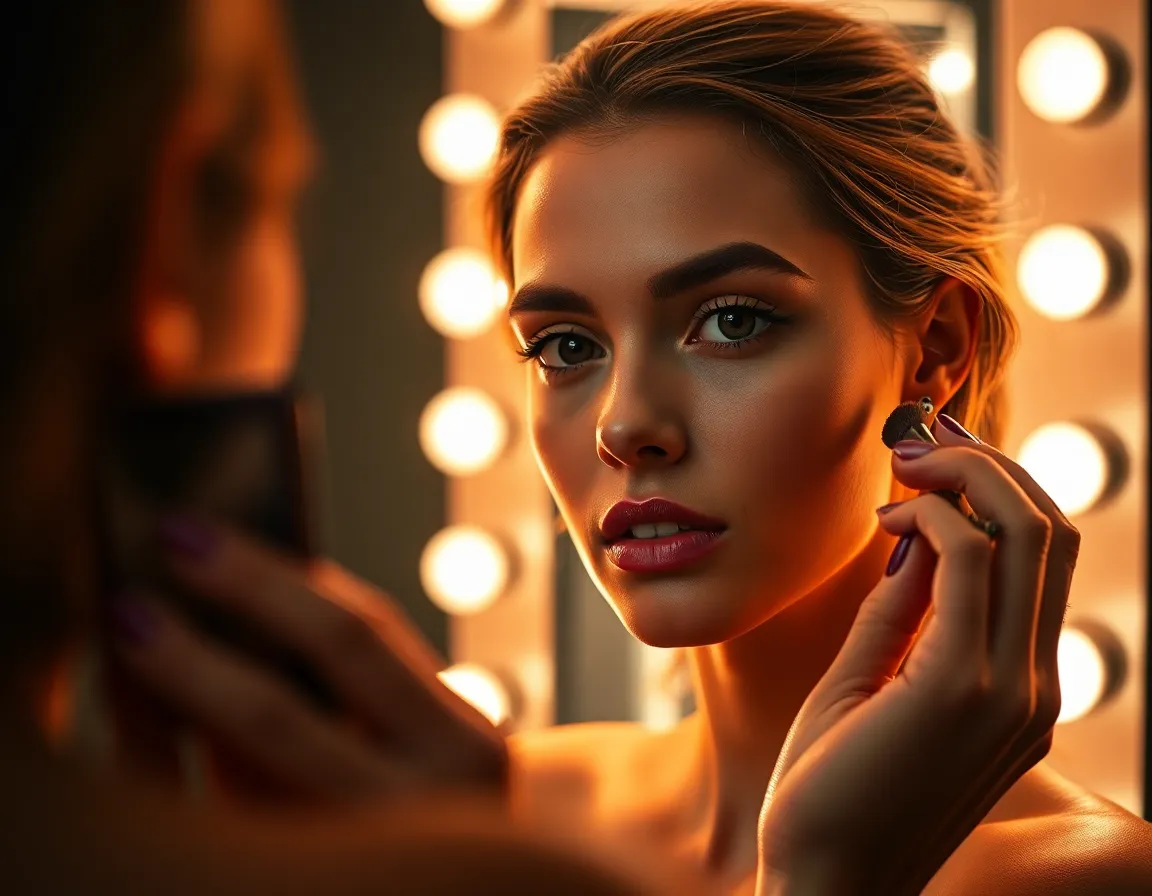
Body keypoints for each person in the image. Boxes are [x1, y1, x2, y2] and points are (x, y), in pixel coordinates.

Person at [5, 1, 1146, 894]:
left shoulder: (1088, 878)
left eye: (732, 318)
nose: (622, 424)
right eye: (562, 344)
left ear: (935, 348)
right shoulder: (472, 815)